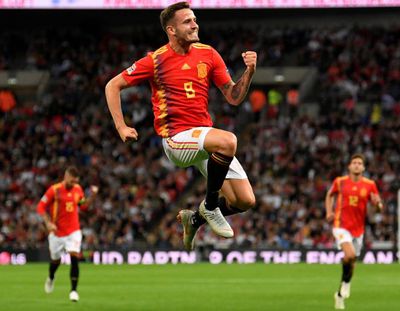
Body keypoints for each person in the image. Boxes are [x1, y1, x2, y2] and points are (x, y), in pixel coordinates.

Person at [105, 1, 256, 251]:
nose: (195, 24)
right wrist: (121, 127)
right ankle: (209, 206)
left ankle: (194, 218)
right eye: (187, 21)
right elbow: (113, 85)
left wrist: (249, 72)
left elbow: (233, 97)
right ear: (171, 30)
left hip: (203, 139)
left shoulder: (208, 53)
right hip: (176, 139)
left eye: (194, 19)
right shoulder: (156, 60)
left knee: (245, 200)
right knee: (228, 140)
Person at [325, 154, 383, 309]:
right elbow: (329, 195)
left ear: (363, 168)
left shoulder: (370, 185)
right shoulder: (340, 182)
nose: (357, 165)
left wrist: (378, 205)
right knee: (349, 254)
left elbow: (379, 206)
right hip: (341, 225)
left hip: (358, 229)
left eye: (360, 163)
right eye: (354, 163)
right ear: (349, 167)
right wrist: (328, 211)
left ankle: (341, 290)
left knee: (352, 262)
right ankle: (345, 283)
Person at [37, 166, 98, 302]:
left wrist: (93, 196)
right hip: (57, 232)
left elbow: (83, 205)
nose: (73, 184)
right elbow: (40, 206)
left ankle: (73, 290)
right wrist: (48, 223)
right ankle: (51, 277)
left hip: (73, 231)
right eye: (71, 181)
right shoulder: (54, 190)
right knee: (55, 261)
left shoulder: (77, 189)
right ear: (66, 177)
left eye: (75, 182)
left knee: (74, 257)